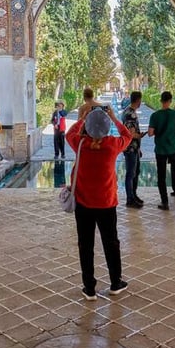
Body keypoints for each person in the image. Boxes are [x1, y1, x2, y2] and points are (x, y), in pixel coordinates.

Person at [66, 106, 132, 300]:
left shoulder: (80, 143)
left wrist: (83, 118)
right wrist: (113, 116)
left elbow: (69, 133)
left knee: (85, 245)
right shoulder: (112, 145)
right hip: (107, 203)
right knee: (111, 243)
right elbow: (127, 135)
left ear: (86, 127)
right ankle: (115, 282)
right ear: (106, 127)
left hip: (84, 204)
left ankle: (89, 287)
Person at [148, 91, 175, 211]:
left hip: (160, 150)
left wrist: (158, 130)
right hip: (174, 149)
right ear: (170, 101)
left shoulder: (155, 115)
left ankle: (165, 202)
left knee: (161, 177)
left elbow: (150, 133)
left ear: (161, 101)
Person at [121, 91, 145, 208]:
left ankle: (133, 195)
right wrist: (140, 135)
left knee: (135, 172)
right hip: (130, 148)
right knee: (130, 173)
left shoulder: (129, 111)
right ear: (138, 100)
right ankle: (130, 198)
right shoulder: (130, 113)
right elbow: (130, 133)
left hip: (134, 148)